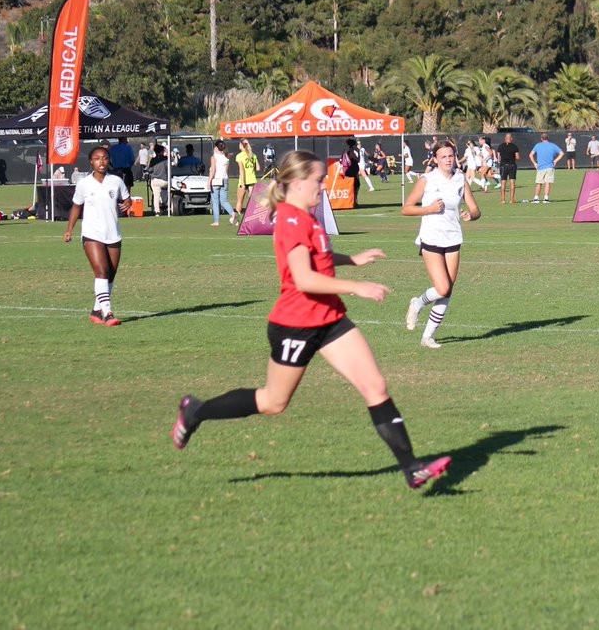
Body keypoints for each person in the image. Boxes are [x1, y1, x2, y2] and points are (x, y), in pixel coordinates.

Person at [169, 150, 450, 490]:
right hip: (296, 323)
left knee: (374, 386)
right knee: (274, 402)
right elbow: (304, 279)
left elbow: (320, 256)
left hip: (329, 317)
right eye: (319, 180)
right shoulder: (290, 220)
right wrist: (356, 288)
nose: (325, 186)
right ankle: (196, 411)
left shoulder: (307, 215)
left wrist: (353, 260)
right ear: (298, 183)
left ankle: (412, 468)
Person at [402, 141, 481, 349]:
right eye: (443, 156)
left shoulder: (460, 179)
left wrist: (470, 215)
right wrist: (428, 209)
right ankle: (417, 302)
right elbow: (406, 209)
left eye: (451, 156)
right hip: (431, 238)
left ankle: (427, 337)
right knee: (442, 287)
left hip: (453, 238)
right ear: (435, 159)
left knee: (448, 291)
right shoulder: (426, 179)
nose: (448, 159)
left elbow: (476, 209)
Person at [63, 146, 133, 326]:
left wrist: (127, 202)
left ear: (109, 160)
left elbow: (126, 198)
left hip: (113, 233)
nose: (101, 162)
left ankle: (96, 310)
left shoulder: (116, 181)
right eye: (97, 158)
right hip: (91, 233)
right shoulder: (84, 183)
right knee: (101, 271)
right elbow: (76, 206)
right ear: (91, 162)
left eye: (104, 158)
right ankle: (108, 313)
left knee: (110, 275)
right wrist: (70, 229)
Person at [208, 140, 238, 227]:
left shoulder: (214, 157)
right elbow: (225, 171)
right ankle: (232, 213)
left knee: (215, 202)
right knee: (224, 200)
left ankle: (216, 221)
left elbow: (213, 170)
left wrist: (209, 181)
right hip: (225, 179)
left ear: (216, 148)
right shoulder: (226, 158)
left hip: (216, 180)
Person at [529, 133, 564, 204]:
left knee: (539, 183)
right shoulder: (553, 145)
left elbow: (530, 155)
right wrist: (555, 161)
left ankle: (536, 198)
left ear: (541, 139)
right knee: (547, 183)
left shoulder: (538, 145)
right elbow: (561, 153)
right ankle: (546, 199)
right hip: (550, 167)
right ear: (548, 138)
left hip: (541, 167)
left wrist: (534, 163)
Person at [234, 139, 261, 216]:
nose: (239, 145)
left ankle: (236, 219)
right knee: (253, 201)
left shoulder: (239, 156)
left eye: (239, 144)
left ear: (242, 146)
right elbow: (258, 168)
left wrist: (242, 183)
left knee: (240, 201)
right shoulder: (253, 155)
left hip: (244, 181)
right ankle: (253, 217)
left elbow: (241, 170)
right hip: (252, 180)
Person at [496, 133, 519, 204]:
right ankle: (511, 199)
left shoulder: (500, 146)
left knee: (503, 182)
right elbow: (517, 157)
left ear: (505, 138)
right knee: (512, 182)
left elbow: (498, 157)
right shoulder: (514, 146)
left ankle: (503, 200)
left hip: (503, 166)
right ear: (511, 138)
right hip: (512, 165)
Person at [147, 144, 170, 216]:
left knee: (156, 196)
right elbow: (169, 169)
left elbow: (150, 170)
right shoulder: (166, 159)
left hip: (154, 180)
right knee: (169, 188)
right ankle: (166, 204)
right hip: (164, 180)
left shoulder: (153, 160)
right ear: (162, 151)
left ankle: (157, 211)